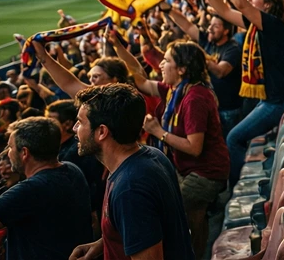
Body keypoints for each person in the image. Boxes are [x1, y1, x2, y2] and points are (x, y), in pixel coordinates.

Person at [125, 40, 230, 259]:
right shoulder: (177, 90)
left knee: (174, 211)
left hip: (206, 173)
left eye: (167, 60)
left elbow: (194, 147)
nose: (161, 65)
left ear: (181, 69)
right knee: (190, 216)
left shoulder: (195, 98)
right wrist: (117, 46)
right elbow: (140, 81)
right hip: (189, 169)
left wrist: (158, 132)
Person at [198, 0, 284, 188]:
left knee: (234, 138)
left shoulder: (272, 24)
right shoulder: (259, 25)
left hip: (280, 100)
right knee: (236, 136)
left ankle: (236, 188)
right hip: (272, 98)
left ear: (268, 4)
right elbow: (226, 12)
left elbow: (240, 5)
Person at [70, 84, 195, 260]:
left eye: (81, 122)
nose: (74, 128)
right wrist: (104, 243)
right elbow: (144, 227)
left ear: (102, 132)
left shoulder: (130, 188)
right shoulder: (152, 156)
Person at [0, 117, 92, 260]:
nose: (8, 153)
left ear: (24, 153)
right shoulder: (72, 170)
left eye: (10, 147)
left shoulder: (32, 189)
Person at [164, 5, 244, 138]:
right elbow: (187, 26)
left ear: (226, 31)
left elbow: (220, 72)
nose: (210, 29)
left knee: (227, 143)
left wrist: (198, 56)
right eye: (210, 25)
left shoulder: (232, 49)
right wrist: (168, 10)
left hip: (228, 110)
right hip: (211, 106)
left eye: (216, 26)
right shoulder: (208, 40)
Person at [46, 99, 105, 218]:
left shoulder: (77, 152)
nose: (46, 126)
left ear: (67, 124)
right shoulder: (61, 148)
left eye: (51, 121)